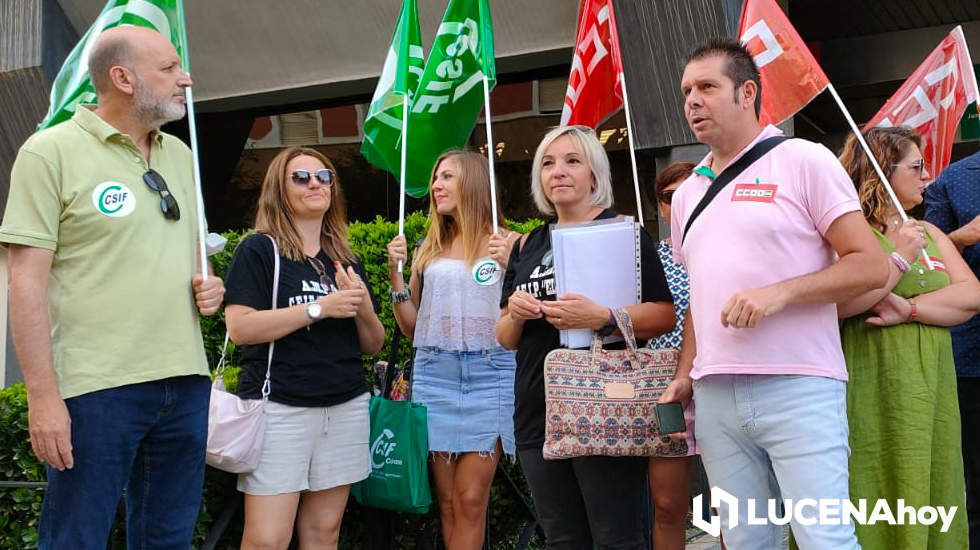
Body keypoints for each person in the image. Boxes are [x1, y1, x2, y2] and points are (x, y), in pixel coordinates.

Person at [0, 26, 224, 549]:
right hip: (95, 389)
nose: (185, 79)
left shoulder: (178, 155)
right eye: (169, 68)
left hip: (185, 380)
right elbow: (25, 284)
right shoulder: (47, 152)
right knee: (76, 540)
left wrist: (207, 288)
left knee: (168, 541)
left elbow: (190, 255)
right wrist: (42, 397)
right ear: (122, 78)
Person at [668, 38, 889, 549]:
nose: (692, 102)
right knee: (745, 541)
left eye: (707, 87)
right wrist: (685, 374)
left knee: (823, 538)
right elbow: (700, 299)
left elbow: (871, 264)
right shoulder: (686, 195)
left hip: (799, 385)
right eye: (686, 92)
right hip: (715, 393)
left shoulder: (804, 159)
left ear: (747, 92)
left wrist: (779, 294)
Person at [496, 125, 676, 549]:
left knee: (617, 536)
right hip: (537, 408)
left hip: (605, 402)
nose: (558, 171)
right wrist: (518, 315)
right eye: (548, 163)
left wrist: (604, 316)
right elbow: (504, 335)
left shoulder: (624, 234)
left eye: (572, 161)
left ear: (595, 174)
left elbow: (664, 314)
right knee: (561, 537)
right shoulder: (527, 245)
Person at [224, 146, 385, 550]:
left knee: (324, 533)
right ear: (280, 191)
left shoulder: (345, 258)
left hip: (344, 406)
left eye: (324, 176)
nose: (315, 183)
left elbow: (372, 343)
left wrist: (363, 306)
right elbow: (241, 328)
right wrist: (319, 308)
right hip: (281, 407)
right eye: (301, 177)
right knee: (266, 539)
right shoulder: (259, 250)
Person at [838, 126, 978, 548]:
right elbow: (848, 300)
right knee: (873, 484)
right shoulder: (847, 236)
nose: (927, 176)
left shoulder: (930, 233)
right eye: (916, 166)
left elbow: (971, 295)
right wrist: (898, 258)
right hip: (870, 386)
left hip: (931, 390)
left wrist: (909, 309)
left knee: (935, 482)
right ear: (882, 171)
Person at [386, 150, 518, 549]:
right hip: (435, 373)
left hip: (491, 373)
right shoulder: (428, 247)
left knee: (471, 497)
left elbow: (521, 313)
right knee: (446, 502)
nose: (436, 186)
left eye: (447, 177)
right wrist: (396, 277)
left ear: (473, 183)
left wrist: (513, 261)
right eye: (435, 178)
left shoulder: (507, 242)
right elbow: (412, 327)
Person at [924, 149, 980, 548]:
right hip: (972, 357)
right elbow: (923, 263)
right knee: (976, 480)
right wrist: (964, 236)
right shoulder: (954, 179)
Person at [647, 161, 699, 550]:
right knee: (667, 503)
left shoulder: (728, 249)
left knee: (735, 503)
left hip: (721, 381)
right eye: (670, 197)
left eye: (690, 190)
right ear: (661, 208)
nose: (680, 203)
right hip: (665, 387)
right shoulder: (651, 259)